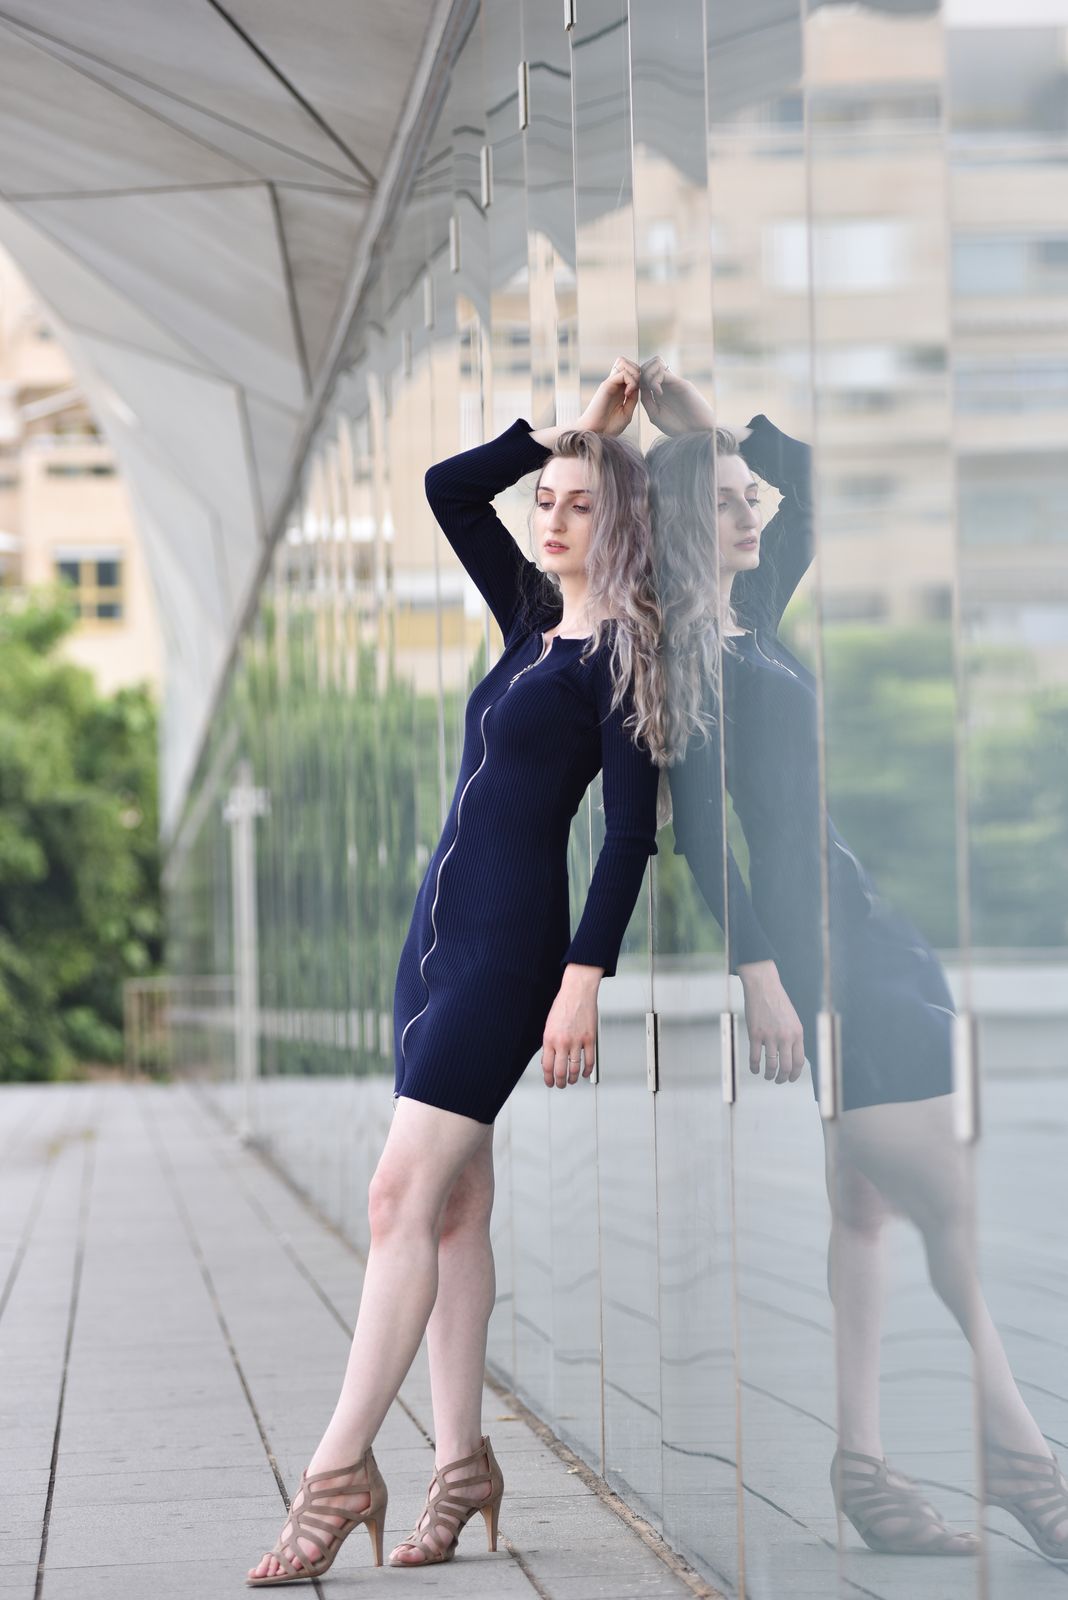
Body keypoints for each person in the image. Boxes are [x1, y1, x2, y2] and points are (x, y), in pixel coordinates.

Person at [641, 357, 1068, 1563]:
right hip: (822, 945)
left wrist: (709, 428)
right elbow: (695, 832)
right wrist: (760, 976)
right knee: (943, 1202)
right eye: (728, 500)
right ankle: (1021, 1455)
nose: (753, 511)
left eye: (748, 498)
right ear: (686, 524)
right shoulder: (691, 653)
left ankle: (867, 1464)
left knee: (872, 1205)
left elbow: (810, 487)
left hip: (865, 924)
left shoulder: (753, 623)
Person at [246, 358, 665, 1585]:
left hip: (509, 951)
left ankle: (337, 1473)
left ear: (621, 524)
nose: (553, 518)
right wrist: (571, 433)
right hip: (432, 943)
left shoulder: (626, 656)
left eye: (580, 505)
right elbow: (446, 489)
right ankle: (462, 1463)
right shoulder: (532, 619)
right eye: (549, 503)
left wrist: (582, 978)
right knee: (454, 1204)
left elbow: (630, 837)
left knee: (396, 1197)